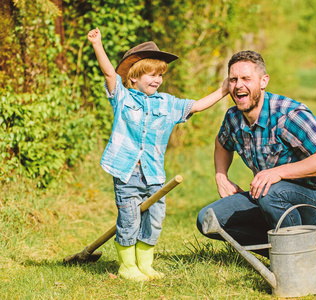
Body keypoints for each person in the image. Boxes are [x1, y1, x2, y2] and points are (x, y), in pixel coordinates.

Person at [87, 28, 228, 281]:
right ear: (133, 78)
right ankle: (127, 267)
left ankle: (145, 265)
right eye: (151, 74)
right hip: (127, 170)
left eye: (160, 74)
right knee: (129, 218)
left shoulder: (167, 103)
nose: (157, 79)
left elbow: (196, 105)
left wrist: (224, 90)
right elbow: (109, 72)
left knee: (154, 218)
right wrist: (97, 44)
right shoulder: (122, 97)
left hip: (153, 174)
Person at [196, 50, 316, 256]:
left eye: (246, 78)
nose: (239, 85)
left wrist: (278, 172)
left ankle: (298, 259)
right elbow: (222, 144)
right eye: (233, 79)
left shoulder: (288, 114)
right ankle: (283, 252)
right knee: (208, 219)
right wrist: (221, 176)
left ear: (263, 81)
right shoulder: (233, 118)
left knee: (270, 191)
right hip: (269, 199)